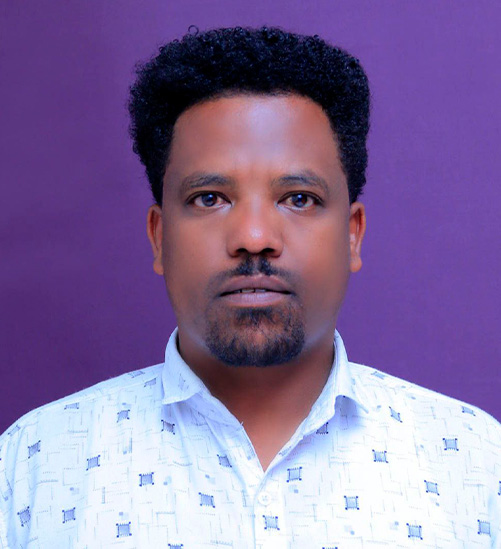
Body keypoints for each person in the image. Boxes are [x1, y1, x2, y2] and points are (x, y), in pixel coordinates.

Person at [0, 26, 499, 548]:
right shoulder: (34, 469)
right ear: (159, 237)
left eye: (299, 198)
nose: (254, 237)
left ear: (352, 235)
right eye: (210, 198)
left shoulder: (476, 466)